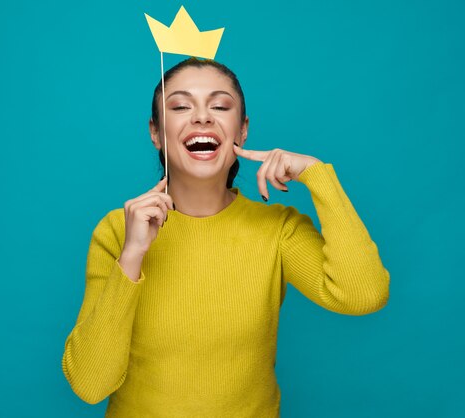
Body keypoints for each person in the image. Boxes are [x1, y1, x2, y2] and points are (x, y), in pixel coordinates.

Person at [61, 57, 390, 417]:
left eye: (219, 106)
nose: (202, 117)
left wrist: (316, 175)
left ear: (242, 130)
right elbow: (90, 385)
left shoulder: (277, 229)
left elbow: (364, 296)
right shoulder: (117, 231)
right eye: (181, 106)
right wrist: (133, 254)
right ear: (155, 132)